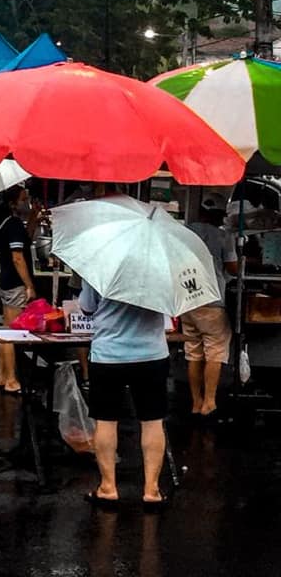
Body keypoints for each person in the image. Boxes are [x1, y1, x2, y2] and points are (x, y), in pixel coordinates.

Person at [79, 280, 169, 510]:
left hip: (109, 354)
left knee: (106, 421)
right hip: (152, 354)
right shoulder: (159, 266)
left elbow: (87, 308)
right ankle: (152, 490)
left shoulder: (100, 265)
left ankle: (108, 487)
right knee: (152, 422)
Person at [182, 195, 237, 419]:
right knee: (215, 350)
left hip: (187, 298)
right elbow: (232, 268)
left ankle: (196, 403)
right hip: (212, 300)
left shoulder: (185, 233)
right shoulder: (224, 236)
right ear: (218, 215)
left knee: (193, 351)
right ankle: (209, 402)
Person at [0, 185, 40, 394]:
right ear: (13, 203)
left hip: (6, 280)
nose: (26, 203)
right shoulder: (13, 224)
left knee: (5, 329)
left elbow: (26, 241)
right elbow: (18, 257)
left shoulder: (8, 223)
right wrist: (29, 285)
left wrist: (34, 217)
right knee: (10, 333)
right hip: (15, 283)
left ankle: (2, 375)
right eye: (23, 199)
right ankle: (11, 379)